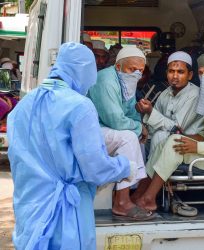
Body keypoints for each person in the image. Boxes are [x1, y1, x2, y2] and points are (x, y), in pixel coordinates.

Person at [7, 42, 132, 249]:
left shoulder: (22, 107)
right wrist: (124, 166)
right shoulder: (80, 106)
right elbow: (95, 168)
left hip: (29, 207)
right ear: (85, 72)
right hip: (65, 211)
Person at [134, 52, 204, 211]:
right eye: (201, 73)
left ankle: (148, 198)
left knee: (174, 142)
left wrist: (197, 147)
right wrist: (190, 139)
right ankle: (140, 195)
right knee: (171, 141)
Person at [88, 47, 153, 220]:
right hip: (92, 132)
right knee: (129, 137)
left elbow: (130, 112)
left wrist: (139, 126)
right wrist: (139, 128)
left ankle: (134, 195)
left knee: (139, 140)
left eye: (140, 70)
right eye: (132, 69)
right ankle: (122, 202)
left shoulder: (126, 80)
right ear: (118, 67)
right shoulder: (106, 81)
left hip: (108, 129)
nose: (137, 74)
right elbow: (114, 120)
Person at [136, 51, 204, 155]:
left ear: (189, 75)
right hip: (164, 139)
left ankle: (152, 170)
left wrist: (150, 111)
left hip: (188, 142)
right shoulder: (166, 92)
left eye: (180, 72)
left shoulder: (195, 95)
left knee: (160, 135)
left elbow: (177, 129)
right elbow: (153, 124)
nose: (175, 76)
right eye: (171, 71)